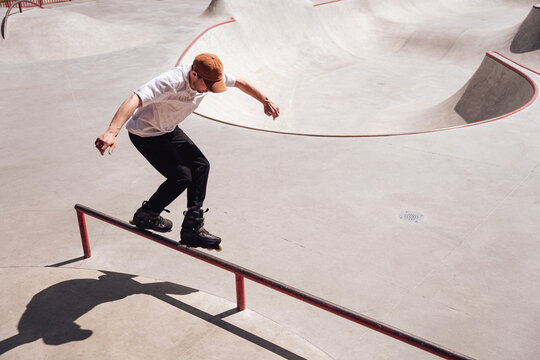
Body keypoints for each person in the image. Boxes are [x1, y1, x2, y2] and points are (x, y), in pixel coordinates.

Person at [95, 53, 280, 249]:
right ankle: (147, 214)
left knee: (201, 166)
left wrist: (265, 101)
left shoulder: (209, 76)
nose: (209, 90)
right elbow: (134, 99)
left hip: (168, 129)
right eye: (207, 85)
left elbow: (240, 82)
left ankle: (192, 227)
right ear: (194, 74)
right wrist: (111, 132)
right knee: (182, 176)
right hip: (145, 133)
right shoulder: (170, 82)